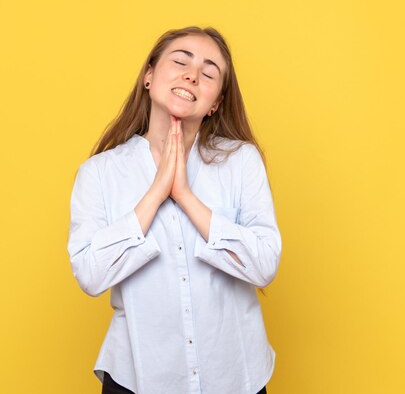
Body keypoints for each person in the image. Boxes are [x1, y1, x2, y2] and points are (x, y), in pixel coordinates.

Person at [67, 26, 282, 394]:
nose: (192, 74)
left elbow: (263, 266)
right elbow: (90, 275)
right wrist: (155, 195)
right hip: (139, 378)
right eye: (181, 61)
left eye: (209, 72)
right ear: (149, 76)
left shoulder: (241, 162)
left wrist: (184, 196)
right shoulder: (100, 173)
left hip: (234, 376)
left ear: (215, 101)